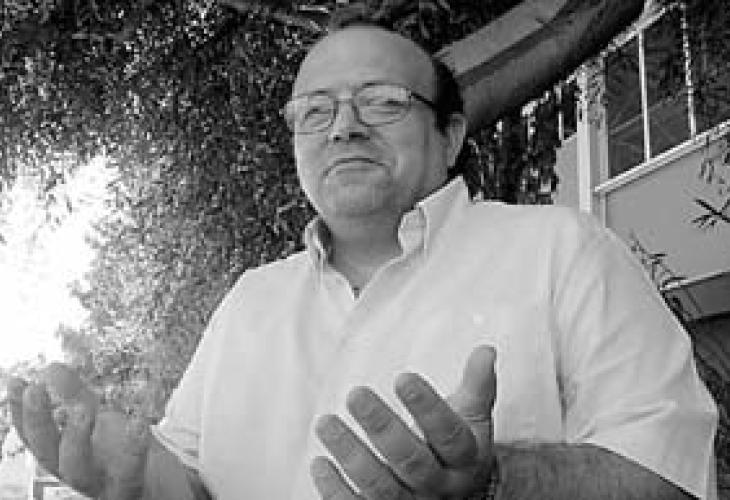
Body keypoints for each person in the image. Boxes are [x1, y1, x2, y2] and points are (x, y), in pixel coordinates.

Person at [7, 5, 718, 500]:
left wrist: (495, 482)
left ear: (450, 136)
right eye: (315, 111)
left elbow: (668, 477)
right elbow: (191, 482)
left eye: (383, 101)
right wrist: (131, 477)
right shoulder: (251, 299)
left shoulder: (563, 252)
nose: (343, 128)